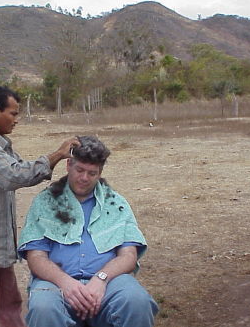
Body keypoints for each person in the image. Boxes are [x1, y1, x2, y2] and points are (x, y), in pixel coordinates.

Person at [0, 86, 80, 327]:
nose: (17, 120)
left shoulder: (1, 146)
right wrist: (57, 154)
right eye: (13, 114)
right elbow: (16, 175)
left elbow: (22, 167)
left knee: (9, 306)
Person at [18, 135, 158, 327]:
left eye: (92, 173)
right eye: (79, 170)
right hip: (56, 283)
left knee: (137, 301)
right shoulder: (45, 202)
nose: (84, 178)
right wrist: (65, 283)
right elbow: (36, 257)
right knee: (43, 309)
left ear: (100, 173)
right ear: (68, 165)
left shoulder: (116, 203)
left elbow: (128, 255)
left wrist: (100, 279)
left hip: (109, 283)